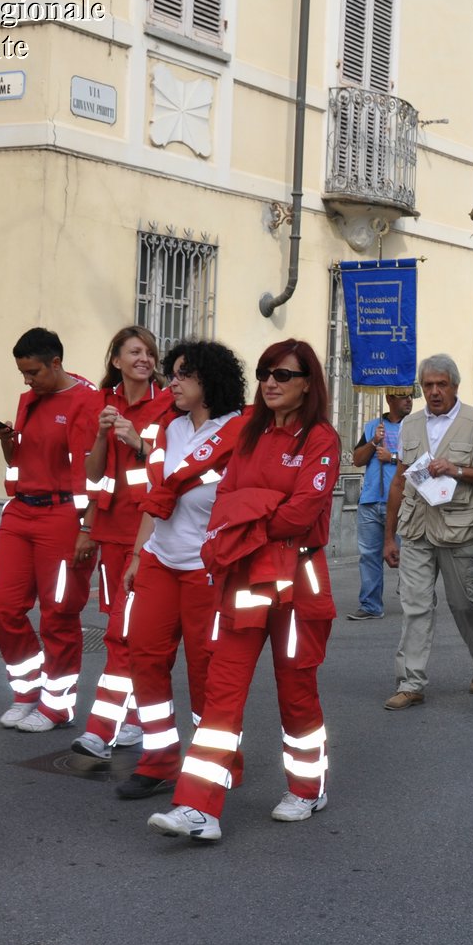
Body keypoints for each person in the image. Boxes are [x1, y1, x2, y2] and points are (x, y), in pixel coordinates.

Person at [148, 340, 339, 842]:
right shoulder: (251, 434)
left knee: (297, 691)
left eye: (282, 374)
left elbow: (301, 514)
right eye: (263, 373)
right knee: (222, 692)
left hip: (299, 581)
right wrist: (259, 509)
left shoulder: (320, 439)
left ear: (307, 383)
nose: (270, 382)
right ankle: (198, 809)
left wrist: (249, 513)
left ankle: (306, 787)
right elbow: (226, 501)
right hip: (243, 577)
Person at [112, 341, 247, 800]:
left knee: (206, 672)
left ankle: (211, 763)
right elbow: (156, 497)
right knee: (144, 658)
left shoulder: (241, 435)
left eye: (182, 375)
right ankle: (160, 760)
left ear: (209, 381)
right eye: (172, 374)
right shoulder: (168, 429)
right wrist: (135, 555)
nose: (171, 382)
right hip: (159, 560)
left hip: (207, 570)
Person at [0, 328, 100, 732]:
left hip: (62, 516)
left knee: (59, 614)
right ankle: (26, 691)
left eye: (33, 372)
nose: (27, 380)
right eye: (22, 373)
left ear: (55, 363)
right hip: (20, 511)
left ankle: (57, 704)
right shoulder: (29, 399)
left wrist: (87, 527)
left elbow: (89, 471)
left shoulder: (85, 400)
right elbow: (21, 459)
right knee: (1, 604)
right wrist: (6, 442)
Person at [383, 355, 473, 710]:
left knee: (464, 604)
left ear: (455, 385)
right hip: (416, 528)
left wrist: (458, 470)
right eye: (428, 386)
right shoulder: (410, 424)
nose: (434, 392)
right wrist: (390, 537)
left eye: (441, 385)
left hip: (459, 529)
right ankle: (411, 681)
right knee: (415, 605)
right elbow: (399, 480)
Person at [74, 326, 173, 761]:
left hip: (152, 531)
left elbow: (171, 468)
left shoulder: (169, 404)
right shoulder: (102, 403)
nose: (144, 359)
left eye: (150, 352)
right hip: (114, 532)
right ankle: (134, 717)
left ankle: (103, 728)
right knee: (125, 628)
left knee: (126, 632)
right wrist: (101, 436)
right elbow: (93, 476)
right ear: (115, 360)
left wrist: (139, 442)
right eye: (135, 352)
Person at [347, 389, 413, 620]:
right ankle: (370, 605)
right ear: (390, 399)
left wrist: (392, 458)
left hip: (404, 502)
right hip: (371, 500)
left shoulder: (416, 426)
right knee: (369, 555)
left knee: (409, 555)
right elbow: (357, 460)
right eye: (403, 396)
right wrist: (374, 441)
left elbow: (425, 461)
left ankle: (416, 600)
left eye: (411, 396)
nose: (409, 400)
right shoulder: (373, 426)